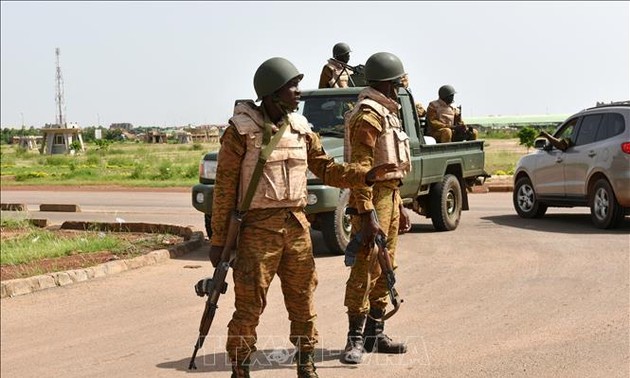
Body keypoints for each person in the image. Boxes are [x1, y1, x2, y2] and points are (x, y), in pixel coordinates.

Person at [208, 57, 401, 378]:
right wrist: (218, 241)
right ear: (271, 94)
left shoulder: (300, 129)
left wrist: (365, 176)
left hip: (297, 228)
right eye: (291, 87)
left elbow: (327, 168)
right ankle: (240, 369)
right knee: (249, 308)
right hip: (257, 231)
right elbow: (224, 190)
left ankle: (306, 366)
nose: (298, 92)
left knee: (303, 304)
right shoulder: (240, 132)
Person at [341, 52, 412, 365]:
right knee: (364, 265)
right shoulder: (368, 114)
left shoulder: (387, 112)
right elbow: (360, 170)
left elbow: (391, 166)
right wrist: (367, 212)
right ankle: (354, 338)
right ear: (387, 83)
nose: (400, 87)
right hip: (370, 198)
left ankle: (375, 332)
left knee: (387, 263)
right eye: (397, 82)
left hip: (390, 196)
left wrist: (400, 205)